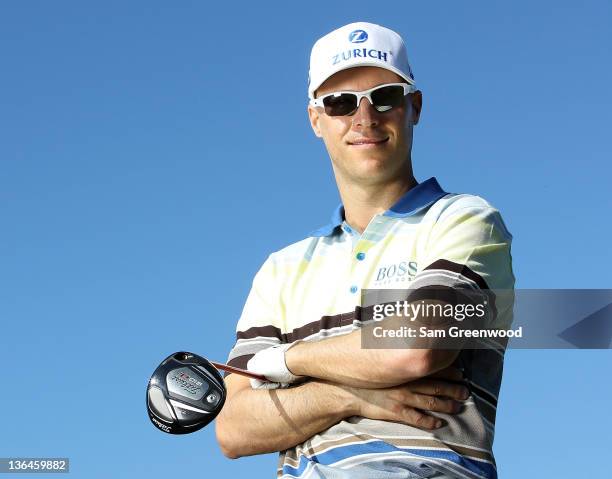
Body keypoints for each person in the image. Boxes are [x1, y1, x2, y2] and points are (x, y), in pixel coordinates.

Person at [215, 21, 515, 479]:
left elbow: (418, 345)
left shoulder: (464, 220)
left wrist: (284, 361)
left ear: (413, 107)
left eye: (385, 97)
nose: (365, 118)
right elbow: (235, 429)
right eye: (339, 103)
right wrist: (349, 395)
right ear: (316, 120)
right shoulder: (281, 268)